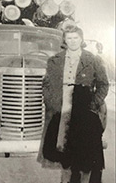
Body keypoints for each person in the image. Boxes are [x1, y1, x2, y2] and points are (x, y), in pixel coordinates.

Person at [37, 26, 109, 183]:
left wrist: (93, 104)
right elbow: (46, 85)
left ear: (81, 39)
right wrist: (51, 103)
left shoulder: (93, 60)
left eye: (75, 38)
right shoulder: (54, 61)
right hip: (61, 109)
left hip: (84, 109)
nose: (72, 41)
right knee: (63, 149)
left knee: (85, 153)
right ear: (64, 40)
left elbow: (103, 85)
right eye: (69, 38)